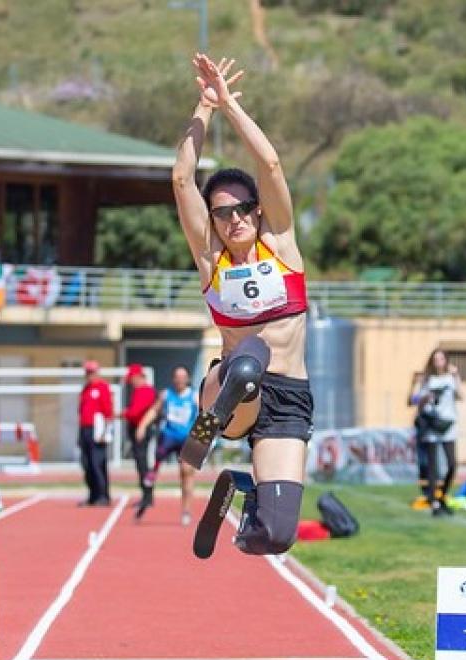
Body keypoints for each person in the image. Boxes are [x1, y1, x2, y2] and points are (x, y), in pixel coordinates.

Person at [171, 53, 314, 557]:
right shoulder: (211, 260)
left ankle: (241, 486)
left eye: (241, 209)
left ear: (258, 212)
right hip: (232, 387)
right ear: (212, 222)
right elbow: (182, 180)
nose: (233, 220)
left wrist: (229, 104)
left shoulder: (282, 246)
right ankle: (210, 427)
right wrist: (202, 110)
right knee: (249, 361)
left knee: (275, 537)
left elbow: (270, 163)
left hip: (288, 400)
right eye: (221, 213)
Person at [138, 365, 199, 527]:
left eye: (182, 377)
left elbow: (206, 415)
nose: (180, 380)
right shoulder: (166, 395)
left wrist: (207, 438)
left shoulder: (194, 397)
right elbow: (154, 411)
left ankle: (186, 510)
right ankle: (152, 475)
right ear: (173, 379)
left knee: (187, 473)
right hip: (168, 437)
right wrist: (142, 426)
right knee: (157, 459)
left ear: (187, 379)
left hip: (187, 439)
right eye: (177, 377)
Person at [410, 349, 463, 517]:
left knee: (452, 464)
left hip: (447, 424)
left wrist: (457, 376)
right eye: (435, 358)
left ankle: (442, 495)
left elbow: (461, 395)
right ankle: (434, 502)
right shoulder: (427, 380)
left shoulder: (450, 378)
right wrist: (421, 397)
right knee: (433, 468)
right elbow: (414, 400)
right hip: (432, 424)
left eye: (441, 358)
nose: (438, 361)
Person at [122, 363, 157, 518]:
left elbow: (136, 412)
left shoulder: (146, 391)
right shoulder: (138, 391)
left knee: (143, 464)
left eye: (132, 379)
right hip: (136, 430)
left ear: (139, 377)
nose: (131, 382)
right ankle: (146, 494)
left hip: (142, 431)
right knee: (140, 464)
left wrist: (124, 413)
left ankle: (148, 495)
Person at [78, 359, 113, 507]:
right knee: (86, 464)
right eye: (87, 372)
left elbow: (108, 411)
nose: (89, 375)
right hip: (85, 429)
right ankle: (92, 495)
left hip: (97, 430)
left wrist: (104, 432)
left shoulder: (103, 387)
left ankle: (103, 495)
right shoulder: (85, 389)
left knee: (97, 463)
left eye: (91, 372)